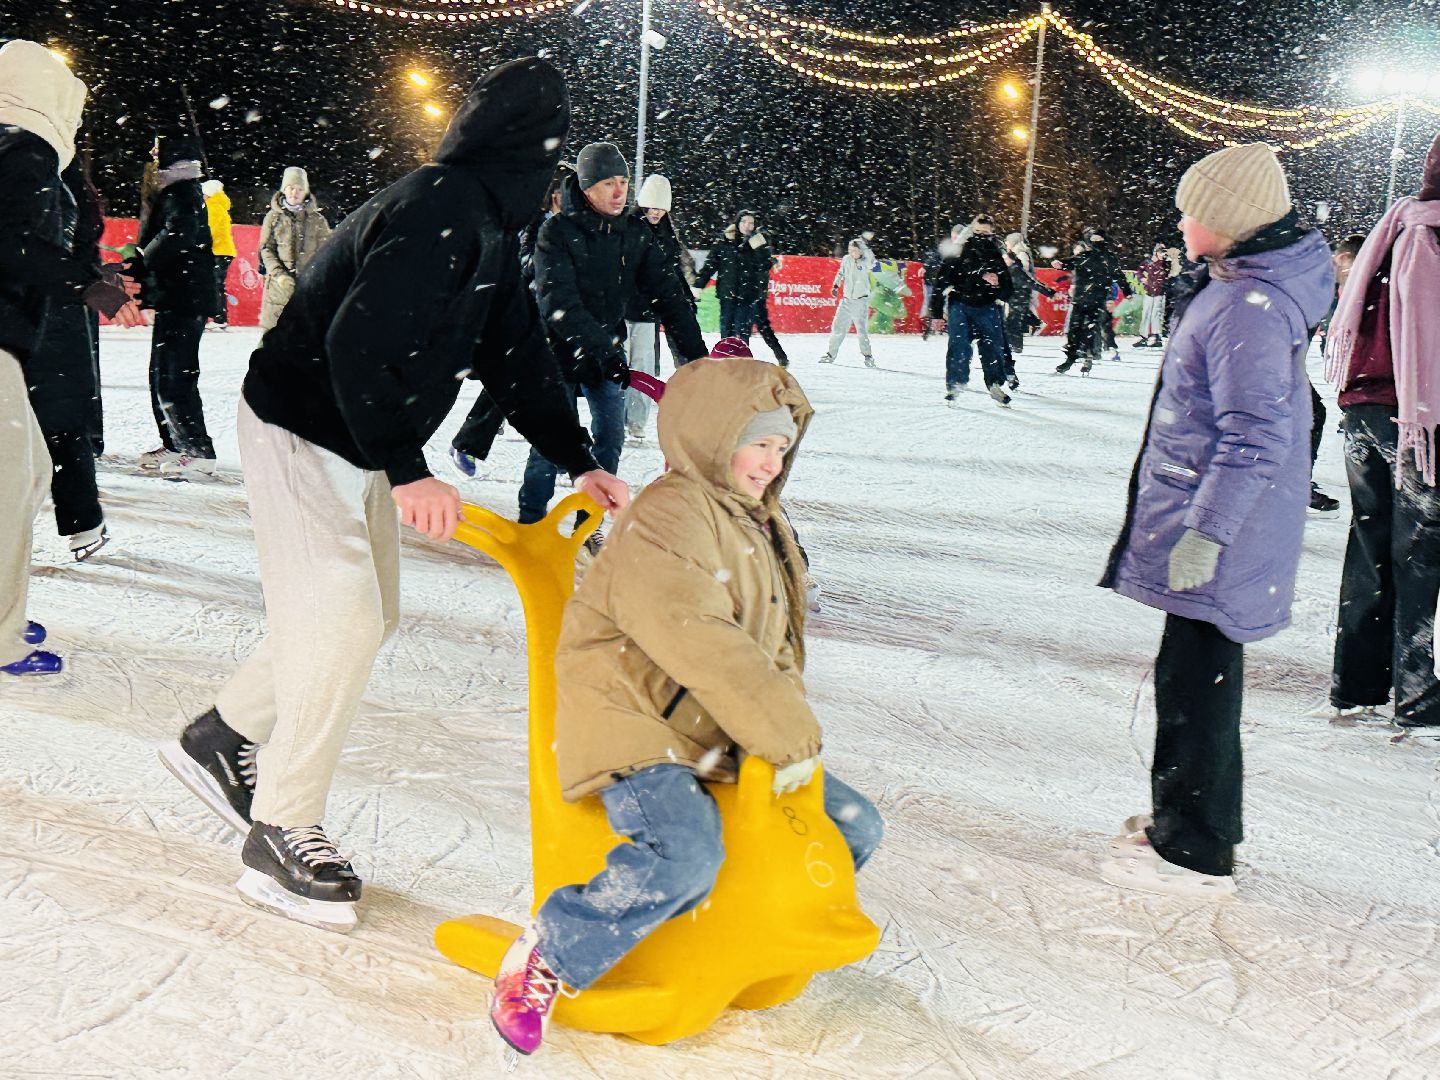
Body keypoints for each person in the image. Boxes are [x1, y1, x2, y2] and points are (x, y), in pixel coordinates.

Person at [157, 58, 631, 932]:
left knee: (364, 617)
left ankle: (221, 734)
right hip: (302, 419)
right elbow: (356, 343)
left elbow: (515, 349)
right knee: (337, 613)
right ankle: (279, 827)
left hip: (355, 434)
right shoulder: (440, 206)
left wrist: (578, 457)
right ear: (529, 149)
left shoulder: (490, 223)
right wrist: (408, 469)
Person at [487, 356, 883, 1056]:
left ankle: (749, 944)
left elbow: (777, 644)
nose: (770, 462)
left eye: (783, 446)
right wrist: (784, 735)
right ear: (710, 434)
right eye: (757, 442)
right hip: (637, 720)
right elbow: (703, 643)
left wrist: (783, 743)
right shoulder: (669, 516)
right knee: (685, 852)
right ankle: (551, 950)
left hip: (711, 724)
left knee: (851, 826)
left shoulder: (757, 521)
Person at [1098, 143, 1333, 897]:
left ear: (1228, 223)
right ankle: (1194, 825)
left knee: (1197, 686)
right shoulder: (1245, 290)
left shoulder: (1245, 308)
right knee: (1197, 679)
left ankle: (1192, 850)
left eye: (1192, 208)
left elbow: (1253, 435)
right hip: (1229, 521)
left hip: (1223, 530)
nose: (1181, 220)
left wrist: (1207, 531)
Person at [1, 40, 138, 678]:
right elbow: (13, 243)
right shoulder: (20, 148)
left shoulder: (17, 149)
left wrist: (88, 273)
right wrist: (88, 283)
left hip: (11, 338)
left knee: (24, 475)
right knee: (13, 484)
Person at [517, 142, 707, 538]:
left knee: (610, 437)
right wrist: (603, 349)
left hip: (604, 353)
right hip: (557, 351)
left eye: (623, 181)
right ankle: (532, 521)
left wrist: (696, 362)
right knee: (554, 442)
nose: (620, 192)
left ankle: (588, 526)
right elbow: (559, 303)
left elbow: (669, 295)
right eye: (608, 183)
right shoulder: (557, 231)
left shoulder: (632, 233)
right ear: (586, 188)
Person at [1323, 133, 1440, 729]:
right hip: (1414, 416)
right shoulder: (1433, 236)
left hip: (1364, 409)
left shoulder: (1393, 229)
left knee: (1372, 546)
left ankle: (1358, 681)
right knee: (1418, 552)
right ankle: (1416, 690)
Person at [24, 156, 112, 561]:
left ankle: (84, 521)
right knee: (53, 424)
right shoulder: (47, 165)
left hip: (50, 312)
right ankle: (83, 520)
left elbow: (69, 250)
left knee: (58, 423)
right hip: (42, 309)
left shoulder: (47, 168)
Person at [131, 131, 220, 478]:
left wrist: (143, 256)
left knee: (175, 374)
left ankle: (198, 449)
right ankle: (175, 442)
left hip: (186, 296)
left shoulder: (183, 191)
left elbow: (178, 234)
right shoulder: (172, 189)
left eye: (158, 145)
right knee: (160, 373)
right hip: (174, 295)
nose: (152, 151)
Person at [623, 172, 696, 438]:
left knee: (643, 368)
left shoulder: (667, 238)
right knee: (617, 367)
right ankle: (612, 419)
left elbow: (673, 273)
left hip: (647, 315)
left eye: (661, 208)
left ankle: (637, 421)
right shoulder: (627, 228)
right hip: (620, 311)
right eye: (652, 206)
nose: (656, 212)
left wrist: (686, 297)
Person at [929, 214, 1013, 407]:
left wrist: (998, 284)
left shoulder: (994, 253)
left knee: (992, 346)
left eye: (985, 233)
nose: (981, 236)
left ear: (991, 232)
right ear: (971, 230)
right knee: (959, 345)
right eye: (977, 232)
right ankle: (955, 384)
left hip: (987, 306)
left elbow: (1007, 288)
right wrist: (935, 312)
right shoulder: (959, 251)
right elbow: (942, 281)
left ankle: (994, 384)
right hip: (960, 303)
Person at [258, 166, 331, 332]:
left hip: (308, 291)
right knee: (272, 341)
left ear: (306, 192)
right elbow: (266, 250)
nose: (294, 192)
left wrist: (313, 278)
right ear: (284, 190)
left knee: (304, 341)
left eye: (300, 189)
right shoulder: (273, 218)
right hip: (278, 291)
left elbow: (327, 253)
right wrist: (279, 275)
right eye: (291, 188)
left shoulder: (318, 221)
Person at [1053, 238, 1130, 376]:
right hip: (1079, 300)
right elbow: (1070, 268)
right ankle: (1072, 357)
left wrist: (1112, 297)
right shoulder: (1080, 263)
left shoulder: (1101, 262)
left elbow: (1111, 279)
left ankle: (1090, 355)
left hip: (1096, 301)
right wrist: (1061, 265)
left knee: (1092, 329)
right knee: (1074, 329)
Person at [695, 209, 772, 342]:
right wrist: (698, 285)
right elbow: (710, 265)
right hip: (727, 295)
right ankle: (727, 359)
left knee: (742, 334)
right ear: (737, 223)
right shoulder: (723, 242)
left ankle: (742, 361)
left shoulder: (758, 243)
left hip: (747, 296)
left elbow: (765, 265)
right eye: (744, 221)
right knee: (726, 332)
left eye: (751, 223)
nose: (747, 225)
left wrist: (758, 247)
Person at [819, 237, 874, 367]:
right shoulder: (846, 259)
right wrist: (835, 286)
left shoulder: (866, 262)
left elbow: (871, 260)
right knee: (838, 326)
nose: (852, 253)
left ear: (861, 251)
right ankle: (831, 354)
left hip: (860, 301)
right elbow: (840, 273)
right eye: (850, 250)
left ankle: (868, 356)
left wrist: (865, 247)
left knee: (861, 330)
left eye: (855, 250)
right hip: (846, 300)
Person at [1001, 231, 1054, 362]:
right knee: (1016, 317)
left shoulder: (1020, 254)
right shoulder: (1016, 255)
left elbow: (1025, 274)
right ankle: (1029, 330)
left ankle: (1019, 341)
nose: (1006, 244)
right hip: (1018, 289)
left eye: (1008, 242)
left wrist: (1016, 272)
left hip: (1020, 290)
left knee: (1014, 319)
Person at [1087, 228, 1129, 362]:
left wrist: (1118, 294)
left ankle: (1106, 348)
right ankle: (1099, 349)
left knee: (1102, 323)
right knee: (1097, 323)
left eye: (1097, 240)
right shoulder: (1090, 256)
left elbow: (1117, 276)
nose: (1094, 243)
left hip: (1105, 294)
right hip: (1093, 295)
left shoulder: (1108, 257)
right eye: (1092, 240)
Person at [201, 178, 236, 329]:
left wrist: (200, 243)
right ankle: (218, 317)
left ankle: (219, 319)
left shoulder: (213, 207)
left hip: (219, 251)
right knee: (216, 284)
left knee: (215, 284)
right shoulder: (218, 206)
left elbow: (210, 231)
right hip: (223, 251)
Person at [1133, 243, 1169, 349]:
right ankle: (1144, 336)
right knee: (1146, 314)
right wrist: (1142, 279)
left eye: (1163, 252)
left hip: (1160, 293)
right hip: (1149, 292)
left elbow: (1166, 274)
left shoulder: (1165, 263)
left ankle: (1156, 336)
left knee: (1156, 314)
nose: (1162, 254)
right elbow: (1139, 271)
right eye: (1160, 252)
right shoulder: (1148, 262)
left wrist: (1159, 262)